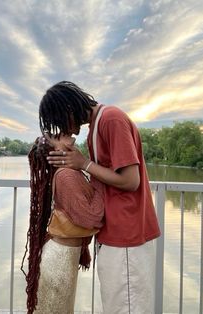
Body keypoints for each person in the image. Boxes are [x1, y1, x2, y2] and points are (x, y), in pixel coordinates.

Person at [40, 81, 161, 314]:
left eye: (59, 119)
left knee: (127, 307)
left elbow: (131, 180)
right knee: (116, 306)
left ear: (68, 107)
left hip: (127, 235)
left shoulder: (110, 119)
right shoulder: (95, 128)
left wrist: (84, 163)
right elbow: (101, 178)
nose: (62, 128)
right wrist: (80, 163)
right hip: (112, 234)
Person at [21, 134, 104, 314]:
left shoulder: (69, 171)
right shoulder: (66, 175)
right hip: (59, 260)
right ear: (56, 152)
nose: (66, 133)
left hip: (63, 257)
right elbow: (91, 218)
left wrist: (86, 165)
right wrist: (101, 181)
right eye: (57, 136)